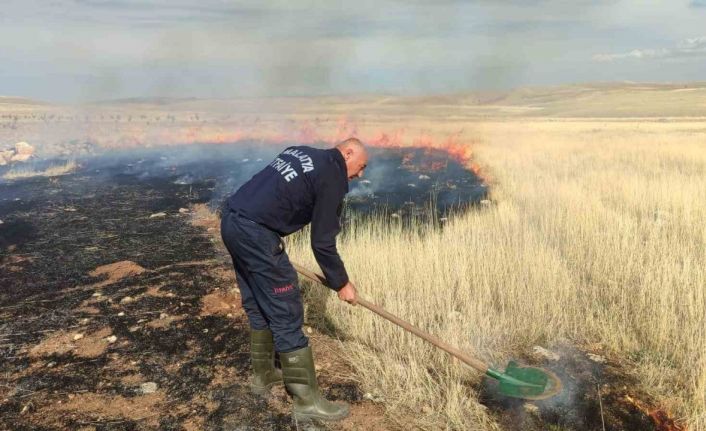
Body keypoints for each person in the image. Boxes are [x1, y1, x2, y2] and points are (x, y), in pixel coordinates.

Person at [220, 138, 367, 421]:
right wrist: (341, 283)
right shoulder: (332, 176)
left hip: (233, 220)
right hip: (257, 233)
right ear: (348, 153)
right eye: (361, 167)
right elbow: (322, 243)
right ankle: (306, 401)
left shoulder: (302, 151)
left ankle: (264, 375)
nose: (360, 175)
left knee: (257, 302)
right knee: (286, 309)